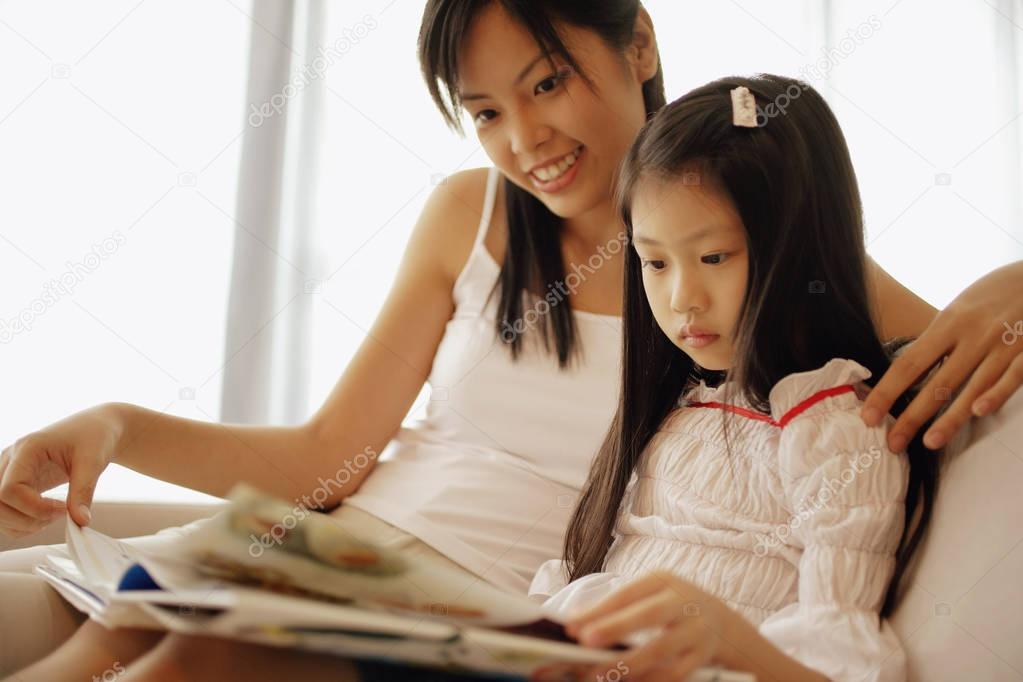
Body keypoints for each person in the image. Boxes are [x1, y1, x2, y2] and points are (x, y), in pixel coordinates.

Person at [1, 2, 1021, 680]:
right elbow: (324, 461)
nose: (523, 139)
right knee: (111, 628)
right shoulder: (469, 212)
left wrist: (1005, 286)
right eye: (485, 109)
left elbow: (925, 335)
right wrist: (117, 423)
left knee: (185, 657)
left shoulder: (740, 249)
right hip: (330, 549)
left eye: (546, 83)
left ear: (639, 45)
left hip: (469, 612)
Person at [529, 74, 933, 682]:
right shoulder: (673, 409)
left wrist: (726, 639)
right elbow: (567, 587)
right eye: (655, 262)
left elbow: (838, 657)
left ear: (803, 249)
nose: (682, 297)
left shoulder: (837, 430)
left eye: (714, 257)